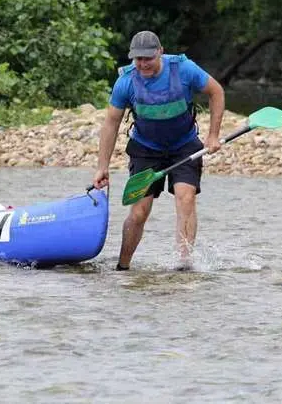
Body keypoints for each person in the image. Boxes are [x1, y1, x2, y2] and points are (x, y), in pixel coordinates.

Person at [92, 31, 225, 270]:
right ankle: (123, 267)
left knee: (186, 198)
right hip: (145, 149)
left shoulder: (184, 70)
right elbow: (111, 123)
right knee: (140, 210)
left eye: (148, 58)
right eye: (138, 59)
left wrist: (213, 134)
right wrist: (102, 166)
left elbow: (216, 92)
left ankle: (184, 265)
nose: (143, 64)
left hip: (184, 146)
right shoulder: (126, 81)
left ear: (160, 52)